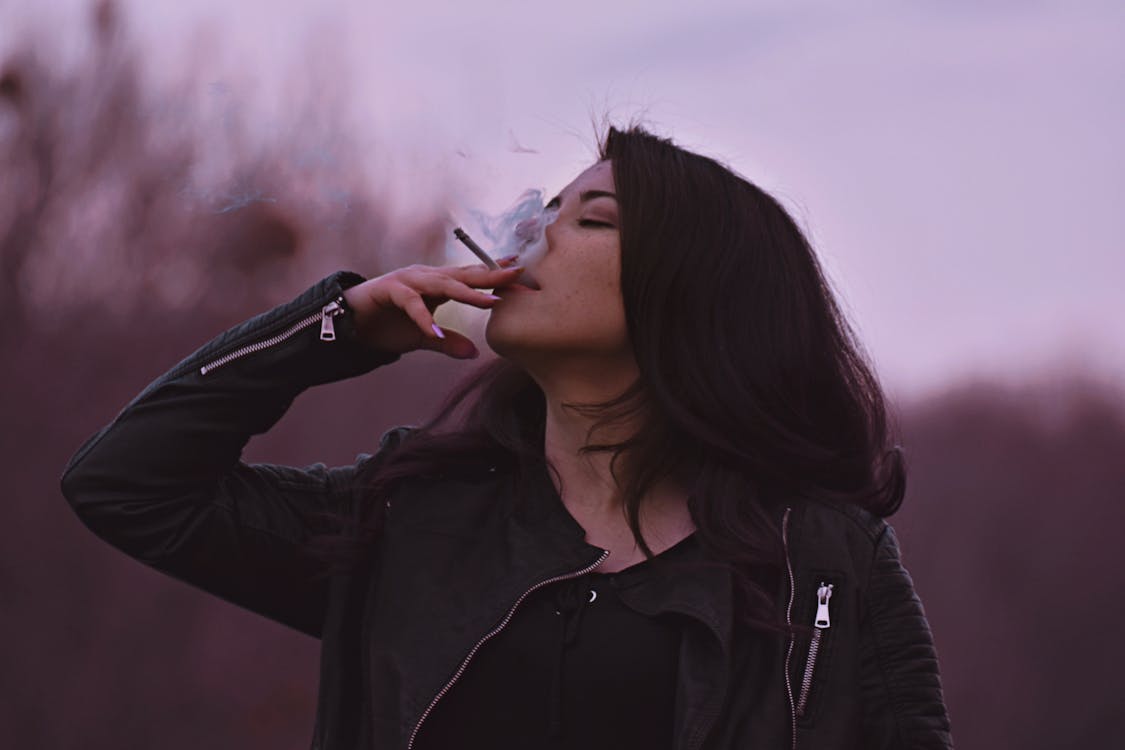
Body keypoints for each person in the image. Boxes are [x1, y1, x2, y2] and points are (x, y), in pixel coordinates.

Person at [60, 125, 954, 749]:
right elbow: (129, 486)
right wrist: (332, 327)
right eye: (542, 211)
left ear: (692, 294)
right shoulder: (410, 519)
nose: (528, 237)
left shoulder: (825, 560)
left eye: (588, 221)